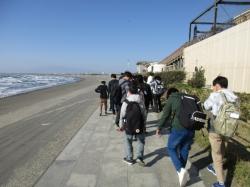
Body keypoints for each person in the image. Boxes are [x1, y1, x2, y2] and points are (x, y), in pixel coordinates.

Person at [156, 88, 194, 187]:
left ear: (169, 94)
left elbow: (166, 115)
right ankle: (182, 172)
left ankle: (180, 170)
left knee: (170, 148)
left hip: (178, 128)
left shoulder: (173, 98)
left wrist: (159, 127)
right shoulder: (189, 97)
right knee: (185, 148)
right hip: (192, 128)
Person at [204, 76, 238, 187]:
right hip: (229, 127)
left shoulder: (215, 95)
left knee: (216, 155)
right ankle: (214, 167)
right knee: (222, 146)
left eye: (213, 86)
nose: (213, 88)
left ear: (217, 85)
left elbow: (206, 106)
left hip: (216, 127)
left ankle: (221, 183)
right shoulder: (233, 96)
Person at [119, 84, 147, 166]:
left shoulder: (126, 101)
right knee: (141, 141)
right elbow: (144, 114)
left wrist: (121, 126)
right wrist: (144, 125)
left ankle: (129, 158)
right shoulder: (141, 100)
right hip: (139, 125)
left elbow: (122, 114)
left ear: (129, 91)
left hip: (129, 125)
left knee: (128, 141)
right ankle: (139, 158)